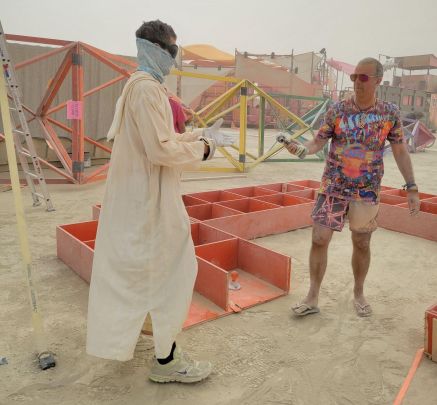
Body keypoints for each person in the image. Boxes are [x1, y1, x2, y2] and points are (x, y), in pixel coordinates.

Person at [86, 19, 235, 383]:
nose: (173, 58)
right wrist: (205, 148)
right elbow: (160, 150)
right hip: (148, 202)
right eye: (171, 50)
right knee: (173, 272)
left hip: (142, 198)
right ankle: (166, 361)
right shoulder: (146, 90)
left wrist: (200, 134)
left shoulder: (140, 86)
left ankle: (149, 337)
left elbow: (162, 138)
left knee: (147, 272)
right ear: (156, 49)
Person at [284, 57, 420, 317]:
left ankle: (358, 293)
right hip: (333, 186)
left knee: (362, 243)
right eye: (354, 77)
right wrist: (301, 149)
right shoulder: (337, 110)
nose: (357, 82)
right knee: (319, 238)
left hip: (366, 190)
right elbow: (317, 141)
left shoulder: (389, 113)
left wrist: (411, 187)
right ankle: (312, 297)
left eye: (363, 77)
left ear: (378, 81)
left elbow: (400, 150)